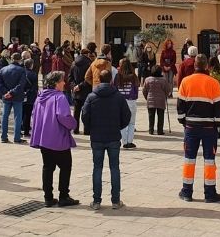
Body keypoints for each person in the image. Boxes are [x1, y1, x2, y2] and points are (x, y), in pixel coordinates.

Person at [177, 54, 220, 203]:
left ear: (194, 66)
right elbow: (219, 107)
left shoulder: (186, 82)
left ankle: (187, 191)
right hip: (209, 127)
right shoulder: (213, 83)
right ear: (206, 66)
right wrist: (218, 125)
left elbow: (180, 107)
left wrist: (184, 121)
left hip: (191, 127)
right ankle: (210, 193)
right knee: (209, 160)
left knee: (189, 159)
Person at [82, 68, 131, 210]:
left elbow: (85, 116)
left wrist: (92, 128)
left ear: (99, 79)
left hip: (97, 137)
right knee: (114, 168)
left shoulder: (91, 97)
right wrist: (118, 126)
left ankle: (96, 201)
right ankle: (116, 201)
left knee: (97, 168)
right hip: (113, 136)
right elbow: (126, 116)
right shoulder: (118, 97)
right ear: (111, 80)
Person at [30, 70, 79, 208]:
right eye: (62, 80)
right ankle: (63, 196)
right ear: (56, 83)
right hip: (58, 138)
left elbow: (34, 116)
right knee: (65, 166)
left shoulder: (40, 97)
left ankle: (48, 197)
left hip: (43, 138)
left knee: (48, 167)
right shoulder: (59, 97)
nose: (64, 83)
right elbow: (63, 116)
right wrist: (74, 124)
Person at [0, 52, 28, 144]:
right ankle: (17, 138)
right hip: (17, 96)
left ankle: (3, 137)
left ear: (11, 58)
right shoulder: (21, 70)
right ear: (19, 60)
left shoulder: (3, 69)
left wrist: (6, 93)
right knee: (17, 117)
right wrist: (11, 92)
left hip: (6, 97)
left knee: (5, 116)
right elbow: (21, 84)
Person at [113, 58, 139, 149]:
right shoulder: (133, 76)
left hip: (120, 101)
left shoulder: (118, 76)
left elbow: (114, 89)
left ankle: (123, 141)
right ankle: (129, 142)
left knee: (122, 122)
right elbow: (136, 90)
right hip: (131, 101)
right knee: (131, 123)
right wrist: (134, 96)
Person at [70, 47, 94, 134]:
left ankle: (75, 129)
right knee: (86, 111)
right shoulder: (89, 64)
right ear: (87, 54)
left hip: (76, 91)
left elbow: (70, 77)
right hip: (86, 90)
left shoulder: (73, 63)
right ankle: (86, 130)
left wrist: (74, 86)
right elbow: (88, 78)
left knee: (76, 111)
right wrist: (80, 85)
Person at [142, 65, 170, 135]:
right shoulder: (163, 80)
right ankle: (160, 131)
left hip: (150, 100)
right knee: (161, 116)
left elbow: (144, 90)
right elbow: (167, 90)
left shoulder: (147, 79)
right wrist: (165, 96)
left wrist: (147, 97)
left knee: (151, 116)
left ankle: (151, 130)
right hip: (161, 100)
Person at [23, 59, 39, 138]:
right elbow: (35, 87)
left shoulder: (21, 72)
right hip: (30, 96)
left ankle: (20, 129)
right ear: (31, 65)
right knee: (28, 113)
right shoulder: (33, 74)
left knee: (21, 113)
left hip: (21, 94)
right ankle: (26, 130)